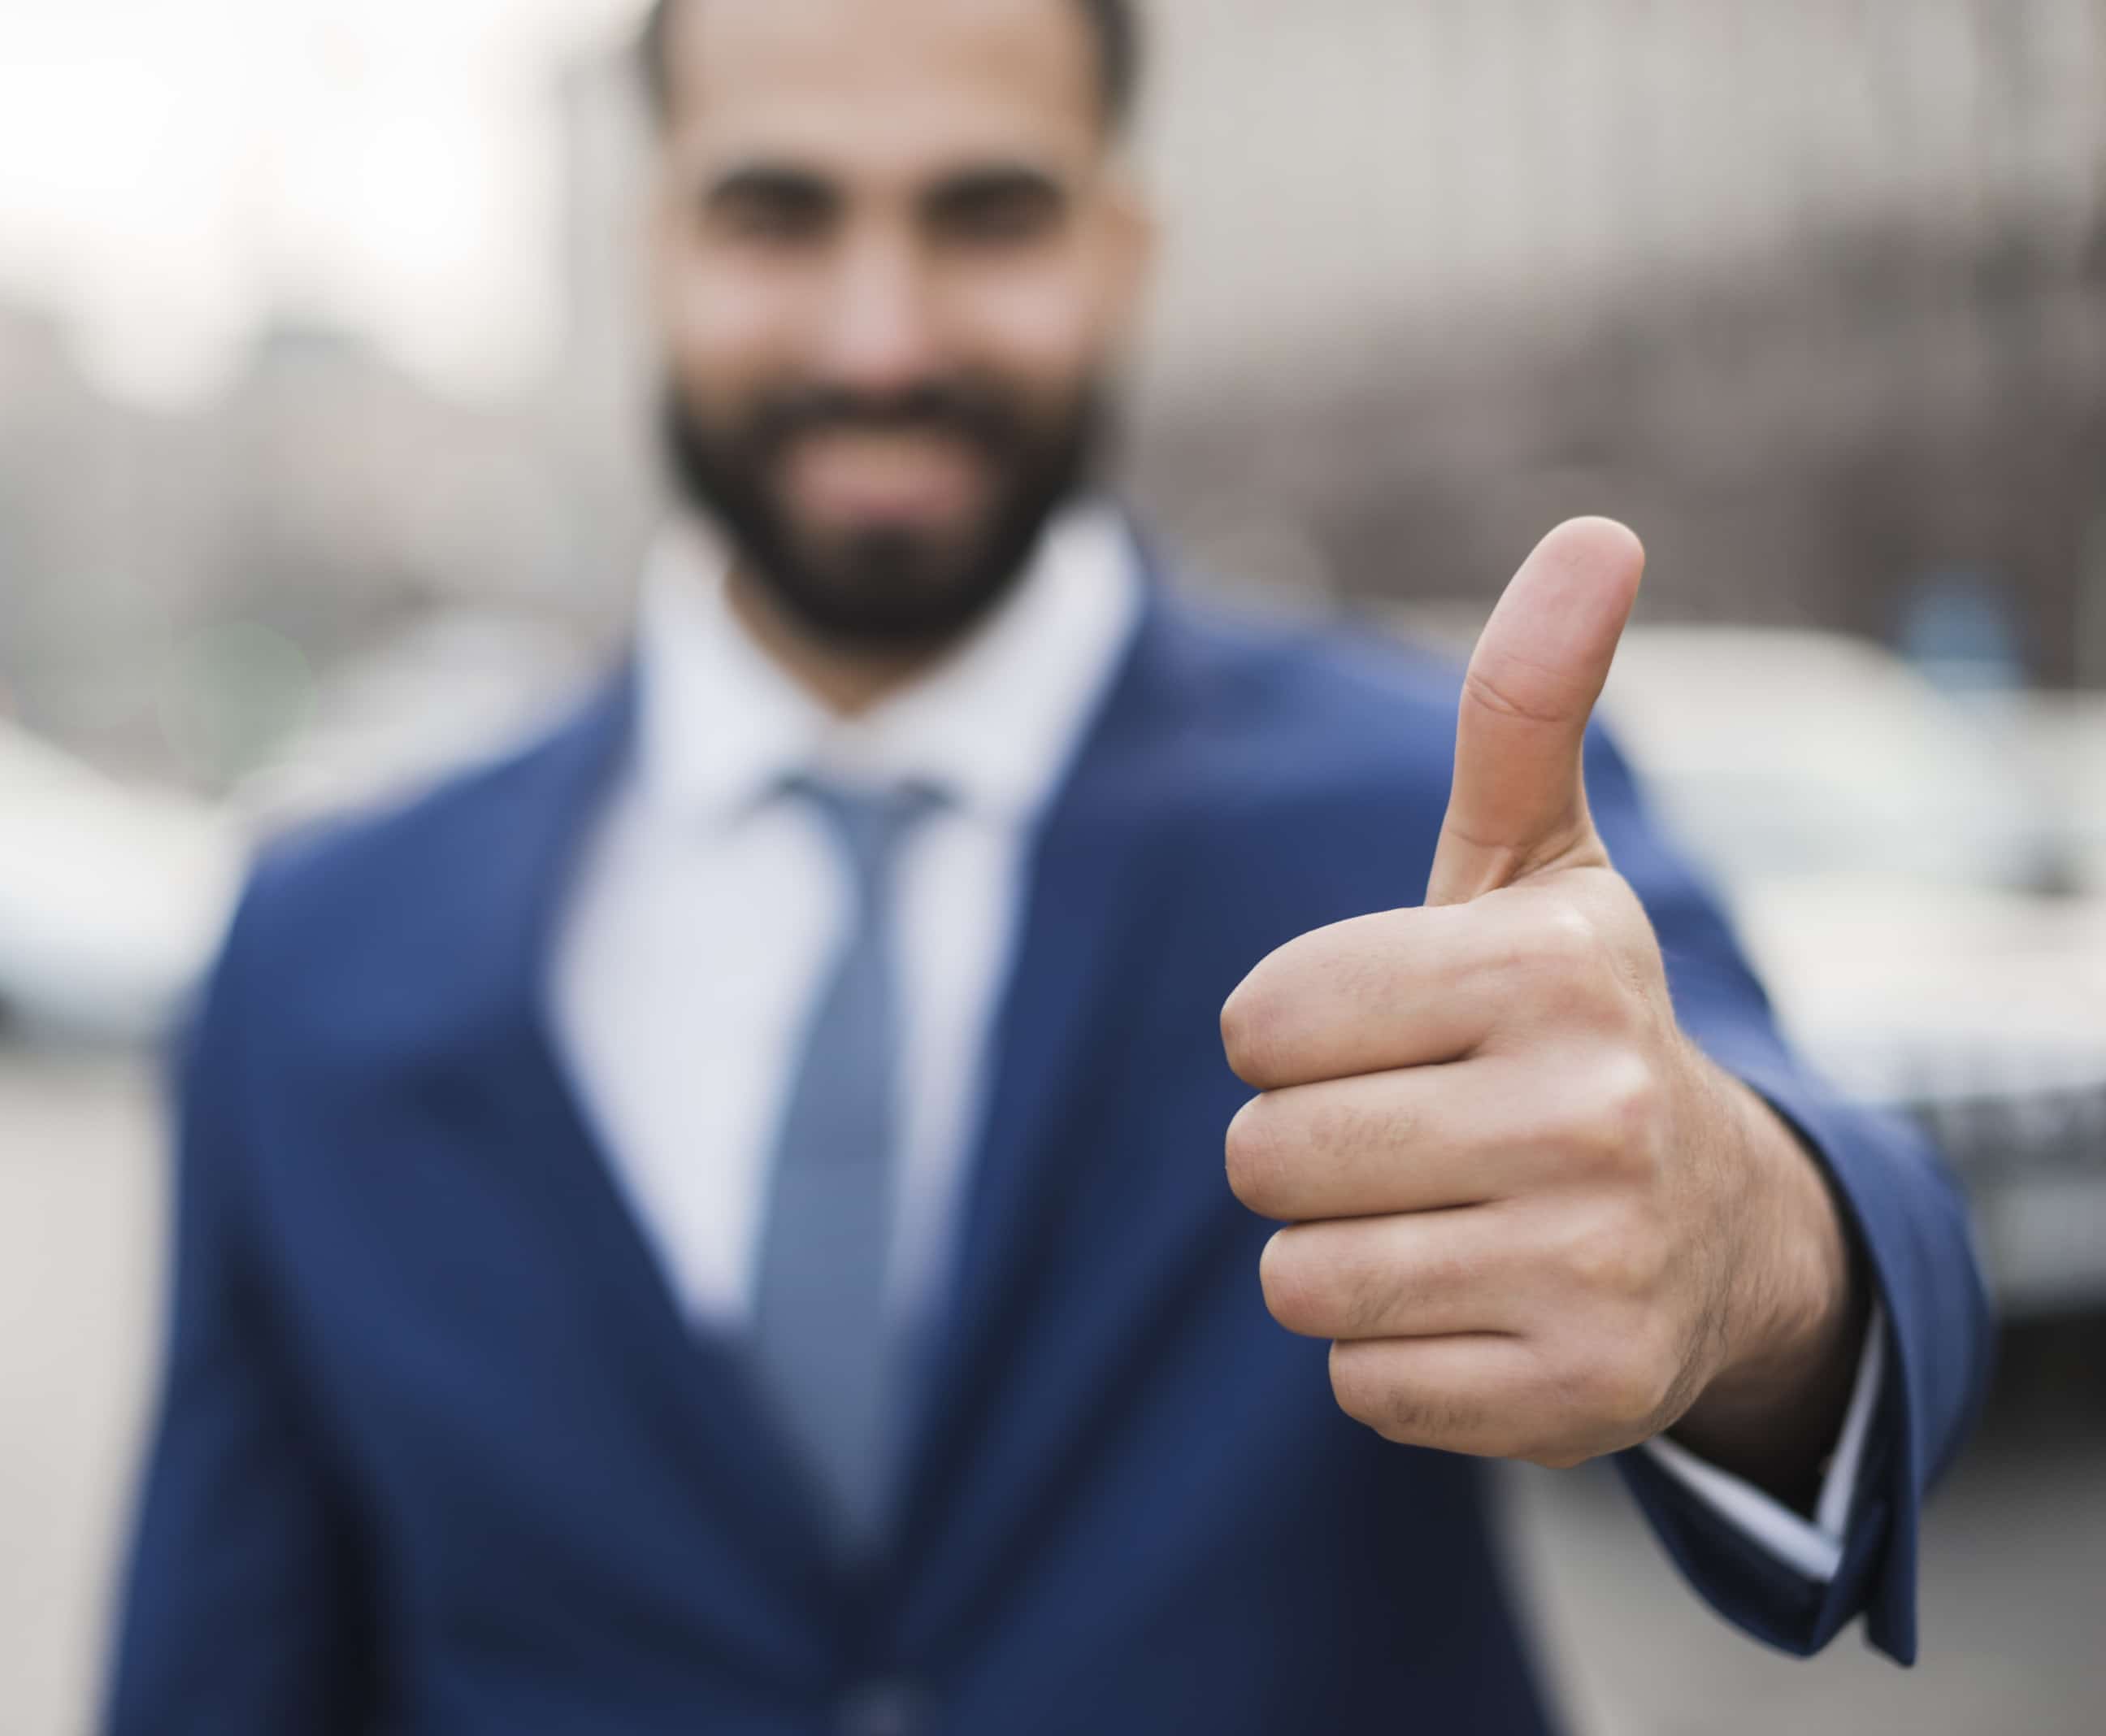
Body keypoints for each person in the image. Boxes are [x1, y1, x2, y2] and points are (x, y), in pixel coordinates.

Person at [104, 1, 1991, 1729]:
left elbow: (1839, 1203)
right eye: (778, 215)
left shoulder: (1415, 812)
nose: (879, 334)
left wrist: (1735, 1235)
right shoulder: (318, 953)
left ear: (1119, 248)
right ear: (651, 248)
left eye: (982, 216)